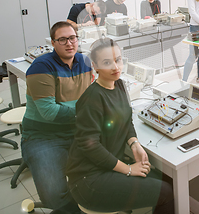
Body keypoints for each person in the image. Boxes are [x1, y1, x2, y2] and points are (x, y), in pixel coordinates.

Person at [66, 38, 174, 214]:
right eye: (107, 62)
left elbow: (126, 119)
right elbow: (90, 146)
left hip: (108, 166)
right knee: (166, 192)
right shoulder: (91, 98)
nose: (115, 67)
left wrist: (134, 143)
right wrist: (129, 169)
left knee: (168, 180)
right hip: (89, 179)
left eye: (118, 60)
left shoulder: (120, 85)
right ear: (96, 66)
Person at [21, 21, 93, 214]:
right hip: (43, 135)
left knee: (103, 172)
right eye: (62, 39)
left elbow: (91, 97)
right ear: (53, 43)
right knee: (53, 194)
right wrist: (88, 112)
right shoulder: (41, 67)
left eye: (72, 38)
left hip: (77, 129)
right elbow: (50, 113)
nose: (69, 43)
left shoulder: (85, 62)